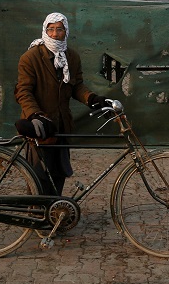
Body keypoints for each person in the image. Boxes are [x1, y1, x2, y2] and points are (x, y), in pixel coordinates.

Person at [14, 12, 108, 195]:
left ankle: (55, 210)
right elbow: (23, 91)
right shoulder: (31, 57)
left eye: (59, 29)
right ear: (45, 31)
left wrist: (92, 99)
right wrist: (35, 115)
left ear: (66, 31)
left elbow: (76, 86)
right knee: (38, 173)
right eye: (51, 29)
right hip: (39, 125)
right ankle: (36, 215)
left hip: (61, 125)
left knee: (59, 171)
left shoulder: (71, 57)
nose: (55, 34)